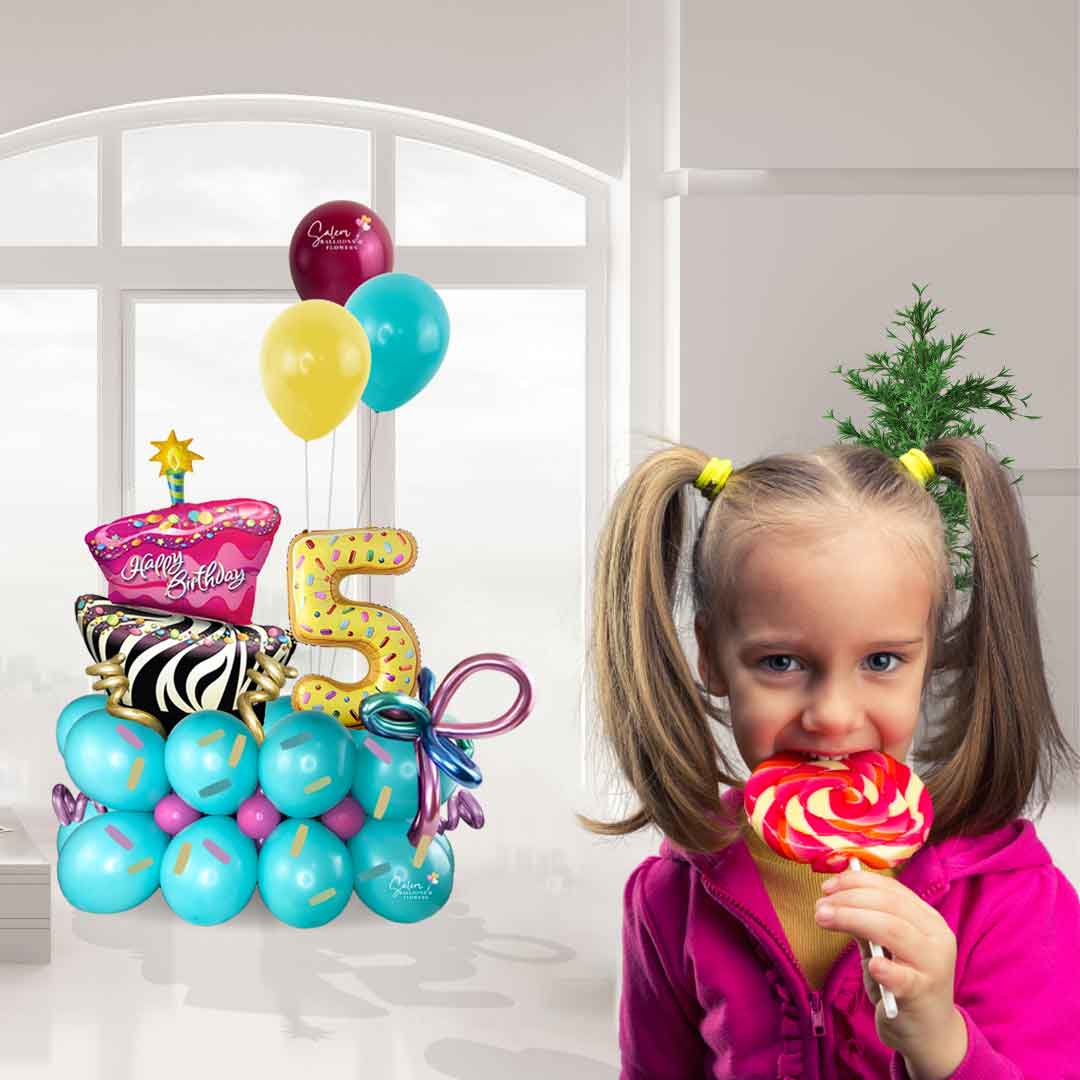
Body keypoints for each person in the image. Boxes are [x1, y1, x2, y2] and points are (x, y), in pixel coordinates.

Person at [580, 438, 1080, 1079]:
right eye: (781, 663)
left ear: (930, 654)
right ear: (711, 654)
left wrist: (939, 1040)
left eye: (881, 661)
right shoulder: (672, 899)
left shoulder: (1008, 899)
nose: (835, 715)